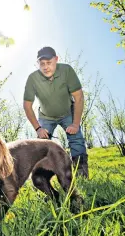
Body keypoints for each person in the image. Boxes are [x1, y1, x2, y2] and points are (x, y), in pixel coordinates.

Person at [23, 46, 89, 178]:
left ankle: (81, 175)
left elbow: (78, 97)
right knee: (41, 147)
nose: (46, 67)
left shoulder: (66, 70)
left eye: (49, 63)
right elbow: (27, 105)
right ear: (38, 64)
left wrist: (75, 124)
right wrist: (38, 128)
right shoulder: (32, 78)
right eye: (42, 64)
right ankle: (41, 179)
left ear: (56, 59)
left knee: (76, 141)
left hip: (68, 113)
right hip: (46, 117)